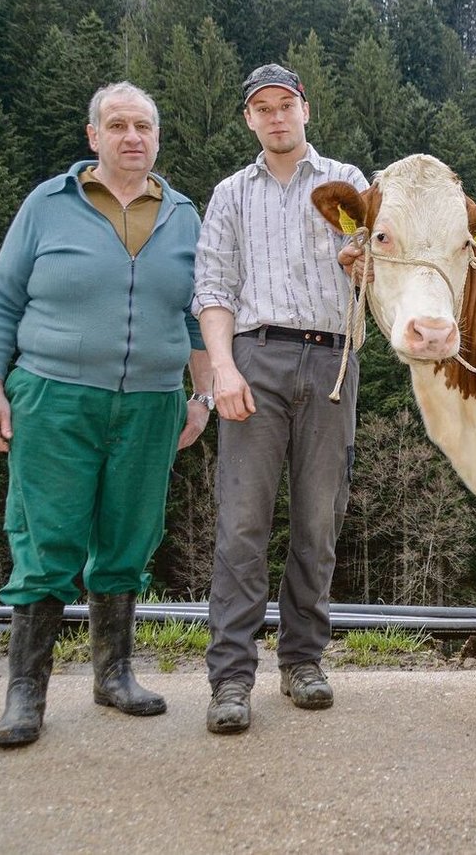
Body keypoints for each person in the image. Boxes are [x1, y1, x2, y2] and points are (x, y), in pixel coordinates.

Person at [0, 82, 213, 747]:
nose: (132, 136)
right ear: (93, 136)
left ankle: (115, 673)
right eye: (118, 125)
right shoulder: (48, 205)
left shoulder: (183, 215)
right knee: (47, 539)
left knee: (130, 535)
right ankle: (26, 692)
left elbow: (200, 316)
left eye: (144, 126)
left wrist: (203, 396)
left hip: (152, 405)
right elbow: (0, 300)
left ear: (158, 138)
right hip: (53, 396)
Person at [193, 64, 368, 735]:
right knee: (241, 522)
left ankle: (302, 662)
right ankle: (231, 678)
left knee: (320, 520)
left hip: (332, 358)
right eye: (261, 108)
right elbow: (212, 287)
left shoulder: (348, 183)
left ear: (306, 110)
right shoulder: (231, 193)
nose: (274, 117)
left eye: (284, 105)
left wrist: (364, 260)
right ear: (248, 119)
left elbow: (382, 264)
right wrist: (222, 371)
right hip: (254, 359)